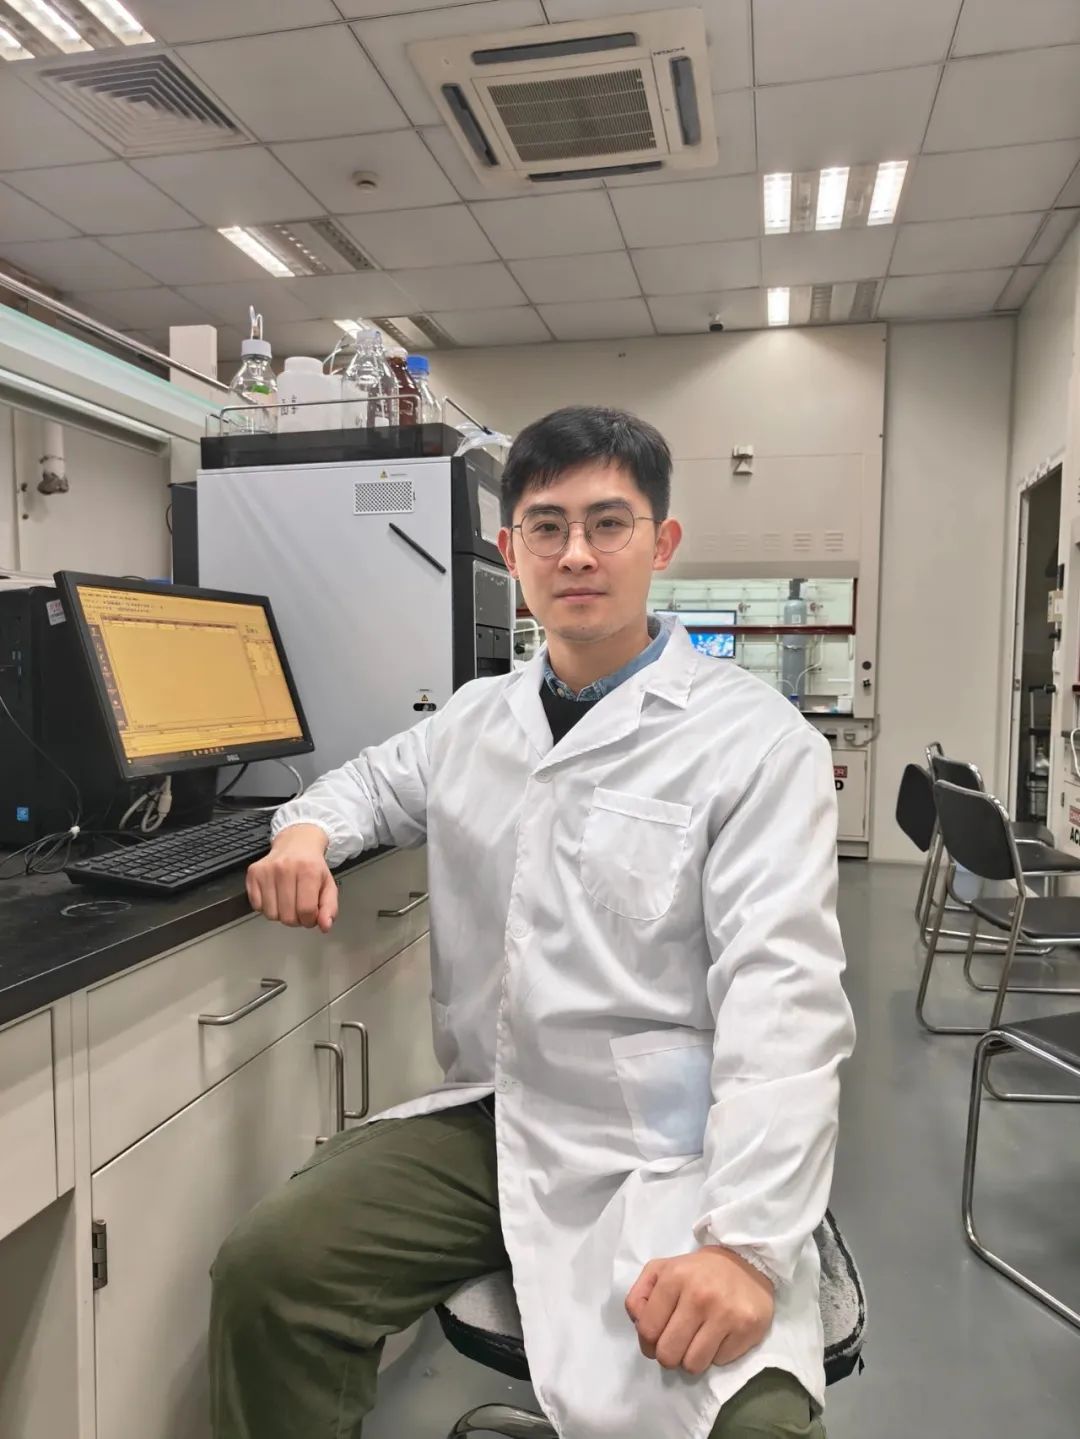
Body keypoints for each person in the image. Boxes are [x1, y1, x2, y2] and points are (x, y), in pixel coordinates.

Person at [209, 405, 855, 1439]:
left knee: (756, 1422)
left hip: (675, 1148)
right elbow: (362, 786)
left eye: (609, 522)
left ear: (662, 543)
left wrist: (744, 1246)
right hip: (497, 1118)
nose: (577, 553)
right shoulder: (476, 719)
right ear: (512, 553)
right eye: (546, 527)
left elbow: (786, 1004)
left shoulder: (755, 744)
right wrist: (304, 836)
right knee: (271, 1271)